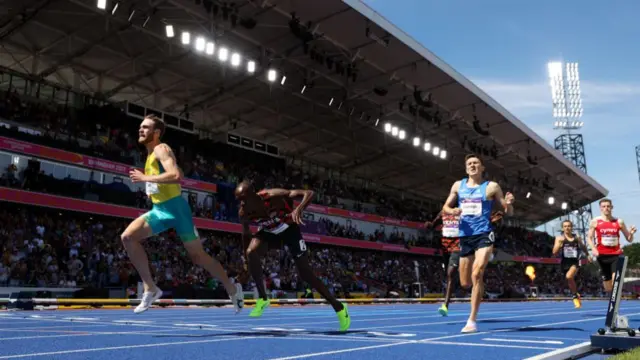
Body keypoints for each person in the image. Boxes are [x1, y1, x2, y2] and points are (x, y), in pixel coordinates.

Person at [123, 114, 244, 314]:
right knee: (128, 237)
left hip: (178, 210)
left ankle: (232, 289)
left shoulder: (162, 148)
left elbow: (177, 176)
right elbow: (177, 172)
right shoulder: (151, 154)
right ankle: (150, 288)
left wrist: (145, 177)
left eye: (145, 127)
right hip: (159, 210)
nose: (140, 130)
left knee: (198, 257)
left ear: (157, 132)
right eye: (140, 127)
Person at [234, 180, 351, 332]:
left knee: (306, 275)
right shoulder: (243, 213)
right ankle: (263, 299)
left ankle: (339, 307)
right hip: (270, 233)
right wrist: (246, 263)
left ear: (253, 195)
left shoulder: (272, 196)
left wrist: (299, 209)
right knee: (251, 252)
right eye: (239, 201)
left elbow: (309, 193)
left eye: (243, 199)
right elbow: (245, 235)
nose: (241, 204)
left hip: (290, 231)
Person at [442, 154, 514, 333]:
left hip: (484, 234)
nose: (472, 165)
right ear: (466, 168)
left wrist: (510, 204)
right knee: (465, 282)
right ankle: (478, 288)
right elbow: (445, 207)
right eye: (469, 164)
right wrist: (453, 210)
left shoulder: (491, 187)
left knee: (477, 273)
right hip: (465, 236)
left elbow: (508, 211)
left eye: (476, 163)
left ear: (482, 168)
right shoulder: (458, 186)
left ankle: (472, 320)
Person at [433, 210, 504, 317]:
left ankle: (445, 306)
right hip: (445, 246)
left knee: (450, 274)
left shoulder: (464, 210)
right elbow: (435, 222)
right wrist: (430, 224)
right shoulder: (443, 211)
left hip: (458, 246)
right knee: (449, 275)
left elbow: (476, 220)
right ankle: (465, 275)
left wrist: (490, 220)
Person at [587, 198, 636, 296]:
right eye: (604, 206)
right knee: (608, 287)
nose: (606, 208)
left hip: (615, 255)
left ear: (612, 207)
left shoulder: (619, 222)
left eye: (608, 206)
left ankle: (615, 308)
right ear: (600, 208)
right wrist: (593, 248)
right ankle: (612, 303)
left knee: (615, 282)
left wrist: (631, 233)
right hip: (601, 256)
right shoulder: (595, 222)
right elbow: (589, 237)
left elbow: (629, 239)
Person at [552, 220, 590, 308]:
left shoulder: (577, 237)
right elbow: (554, 252)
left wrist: (588, 255)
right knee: (569, 280)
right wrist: (559, 245)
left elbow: (583, 246)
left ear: (572, 227)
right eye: (565, 226)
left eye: (569, 226)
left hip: (575, 262)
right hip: (564, 263)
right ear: (562, 228)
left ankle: (574, 297)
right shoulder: (559, 238)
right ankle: (575, 294)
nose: (567, 228)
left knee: (569, 276)